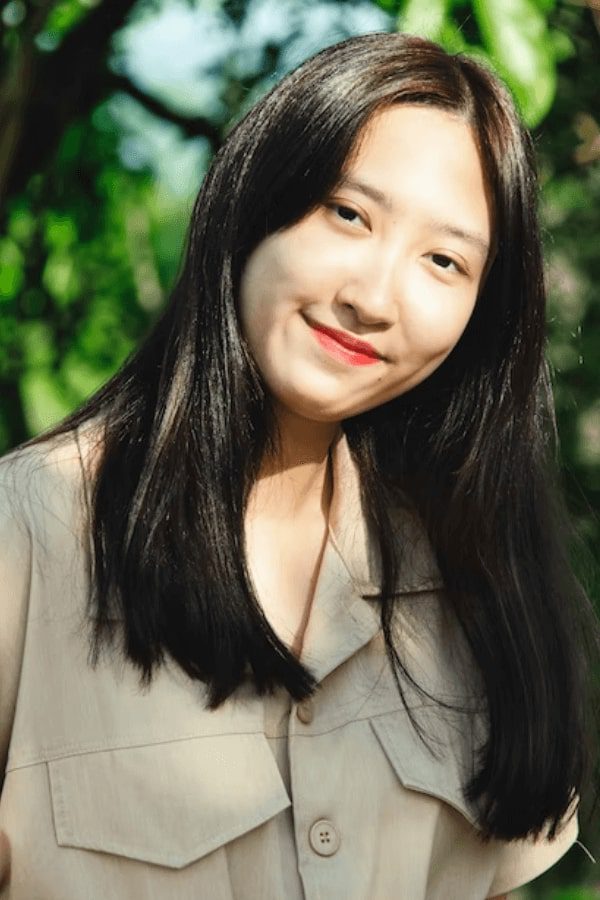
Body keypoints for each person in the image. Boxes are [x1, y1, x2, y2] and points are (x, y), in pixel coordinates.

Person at [0, 30, 597, 900]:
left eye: (444, 261)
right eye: (348, 214)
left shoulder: (471, 584)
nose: (373, 298)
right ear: (253, 200)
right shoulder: (30, 536)